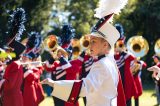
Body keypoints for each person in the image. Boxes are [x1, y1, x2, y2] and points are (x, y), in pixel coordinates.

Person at [41, 11, 120, 105]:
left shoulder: (101, 64)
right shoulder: (110, 61)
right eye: (90, 42)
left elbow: (84, 87)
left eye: (93, 42)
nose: (89, 46)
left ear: (105, 45)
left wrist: (54, 84)